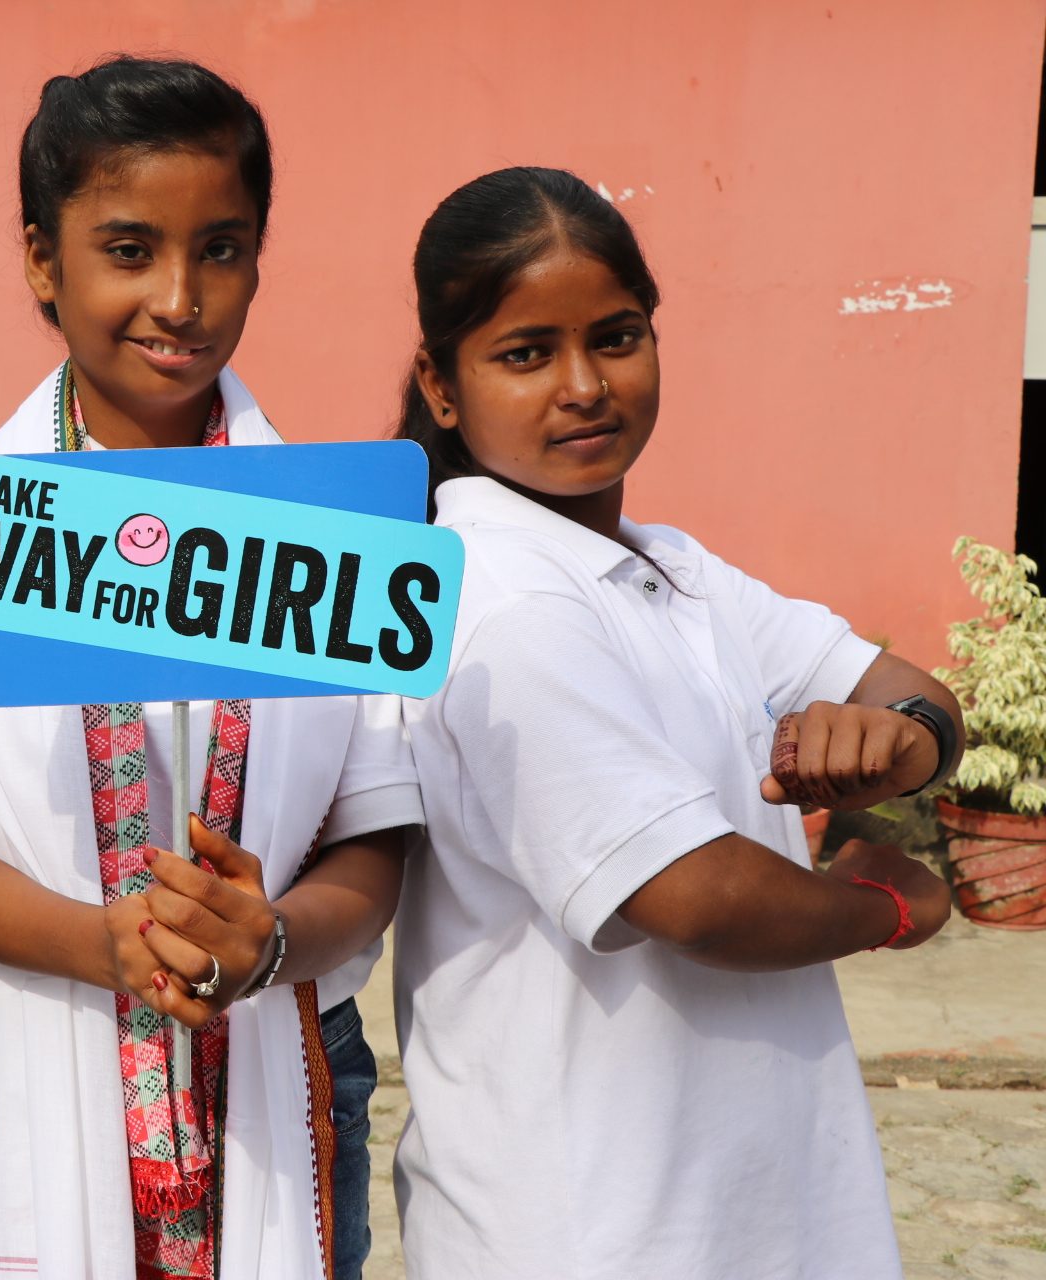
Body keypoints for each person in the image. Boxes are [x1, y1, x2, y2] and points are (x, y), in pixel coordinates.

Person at [0, 57, 421, 1280]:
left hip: (285, 1057)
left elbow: (376, 839)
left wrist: (269, 941)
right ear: (39, 259)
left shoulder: (330, 531)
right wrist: (103, 943)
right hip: (29, 1052)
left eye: (221, 249)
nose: (180, 298)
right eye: (128, 249)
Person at [390, 165, 961, 1279]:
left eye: (617, 336)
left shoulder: (670, 566)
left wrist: (896, 738)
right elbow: (692, 893)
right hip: (588, 1223)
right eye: (524, 353)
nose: (584, 385)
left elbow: (916, 688)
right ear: (442, 385)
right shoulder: (490, 595)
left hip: (751, 1203)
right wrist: (887, 902)